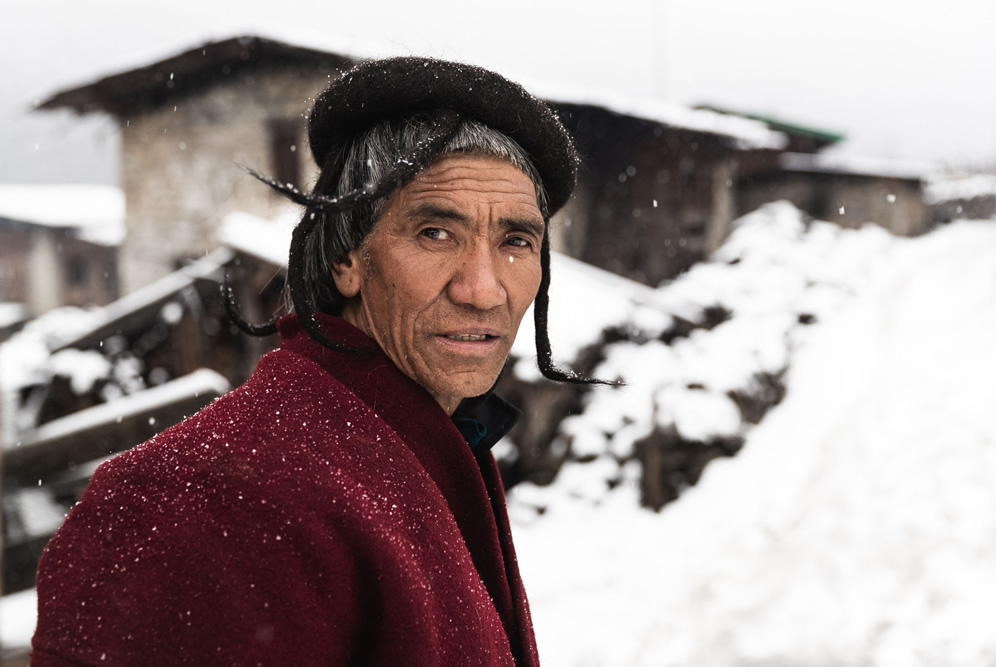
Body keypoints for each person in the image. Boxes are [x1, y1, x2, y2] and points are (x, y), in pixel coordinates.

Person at [31, 56, 601, 666]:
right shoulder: (205, 498)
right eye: (435, 233)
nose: (484, 289)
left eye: (517, 241)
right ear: (345, 260)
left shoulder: (437, 446)